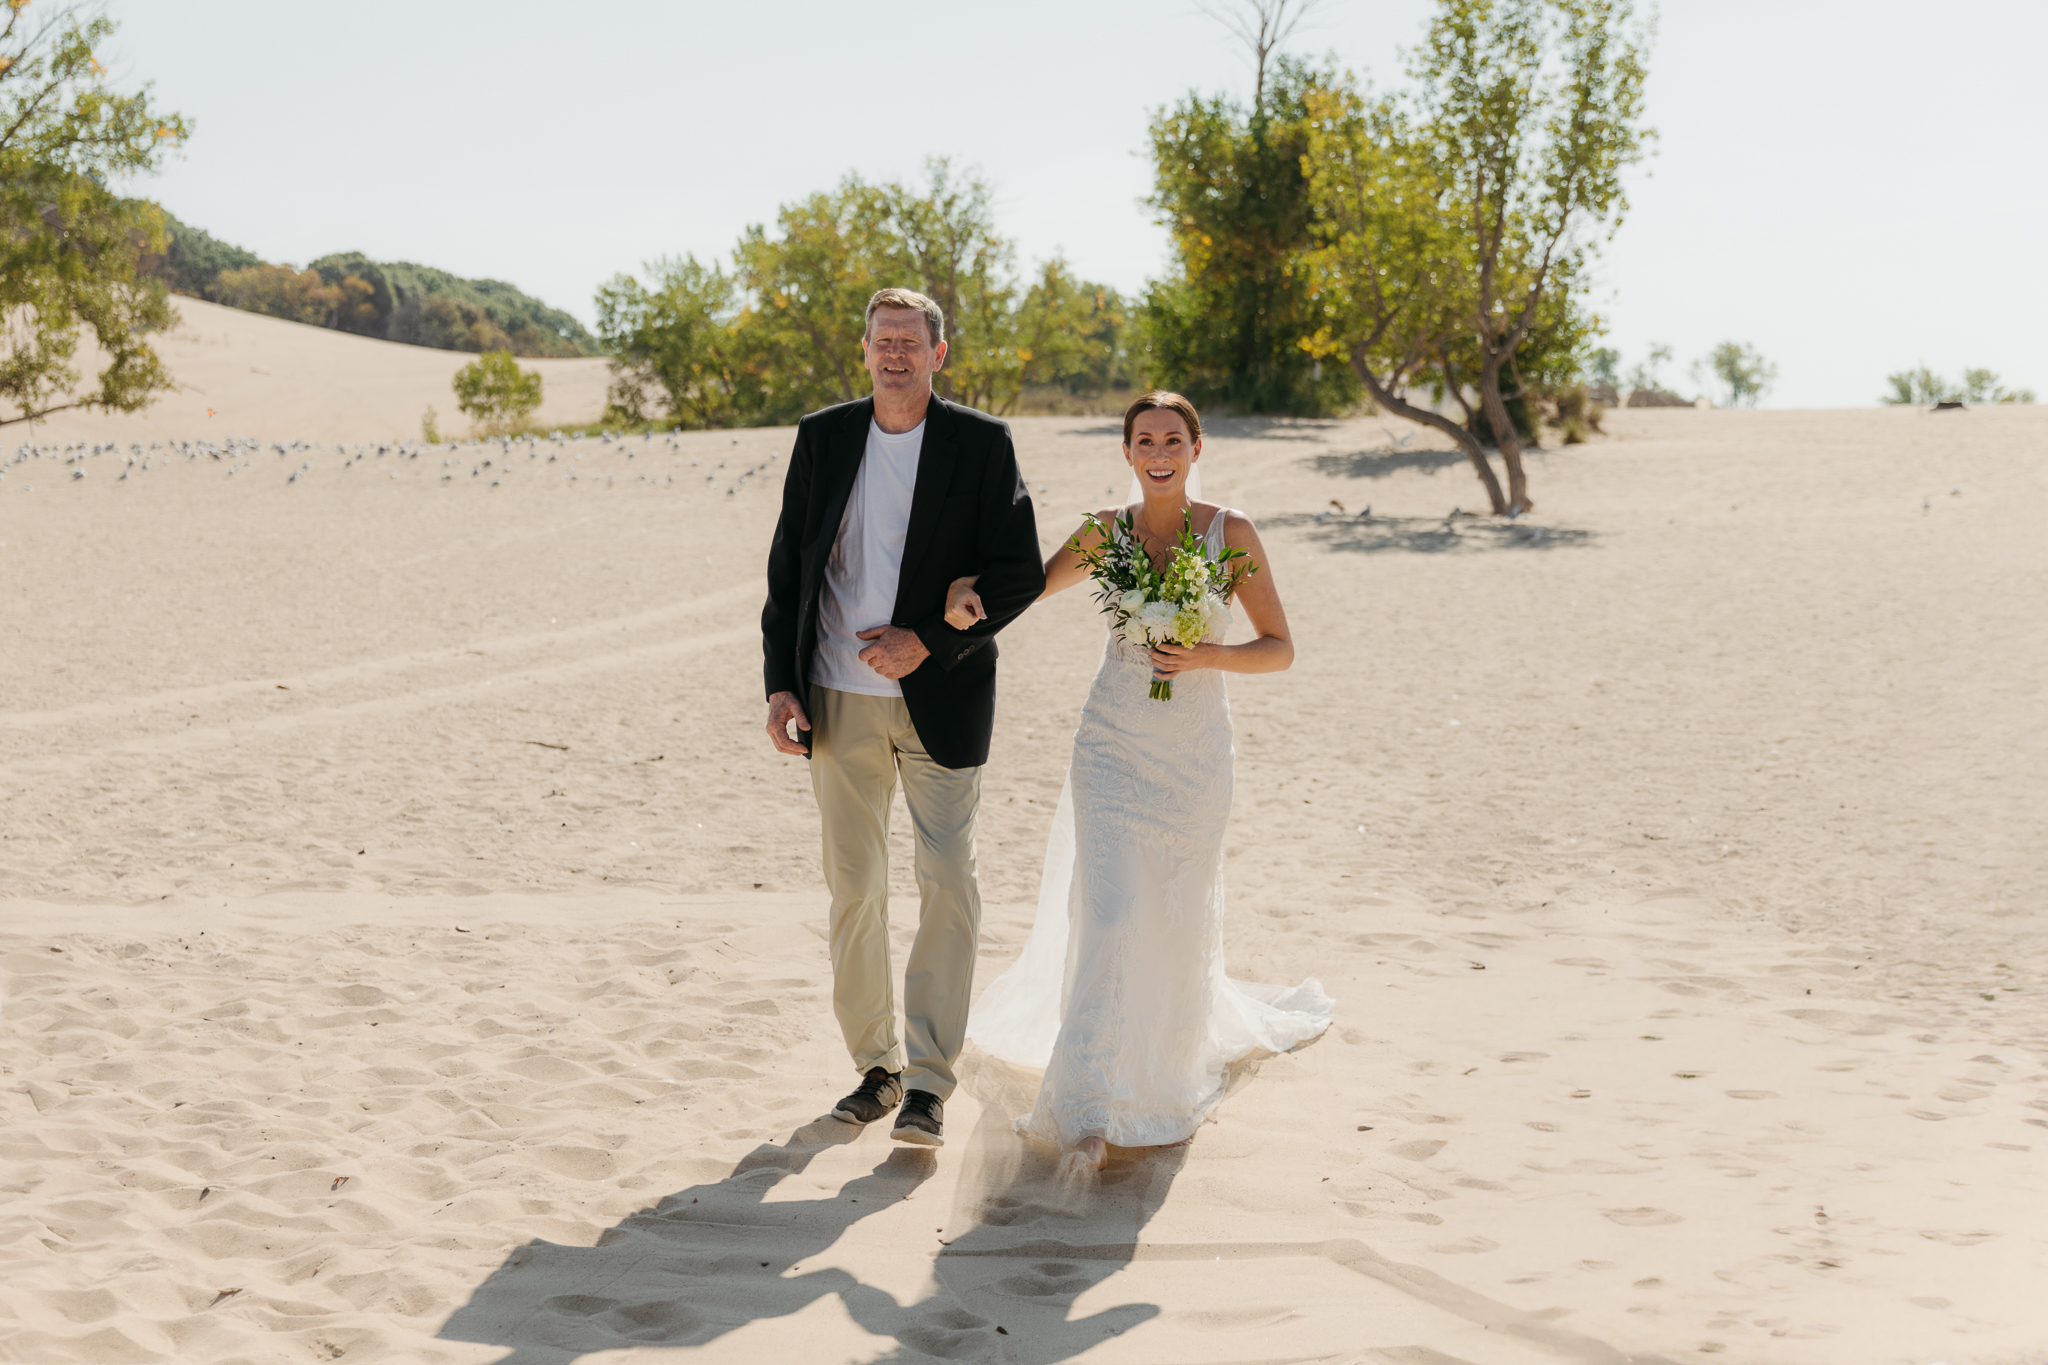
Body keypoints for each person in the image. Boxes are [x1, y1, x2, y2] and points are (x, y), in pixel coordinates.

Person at [953, 391, 1333, 1170]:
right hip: (1112, 748)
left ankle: (1159, 1074)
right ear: (1126, 453)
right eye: (1143, 440)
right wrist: (965, 597)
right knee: (1115, 913)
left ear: (1197, 449)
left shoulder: (1232, 533)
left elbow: (1280, 647)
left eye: (1172, 439)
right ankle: (1089, 1105)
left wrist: (1207, 656)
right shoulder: (1105, 532)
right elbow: (1025, 589)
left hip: (1192, 757)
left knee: (1171, 915)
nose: (1158, 452)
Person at [761, 287, 1045, 1149]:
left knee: (949, 881)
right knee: (855, 887)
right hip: (836, 696)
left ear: (938, 354)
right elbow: (787, 568)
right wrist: (781, 682)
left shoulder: (982, 443)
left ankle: (929, 1081)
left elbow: (1018, 573)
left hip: (942, 696)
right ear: (864, 350)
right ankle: (877, 1069)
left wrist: (925, 639)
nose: (896, 354)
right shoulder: (823, 437)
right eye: (883, 340)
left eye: (910, 342)